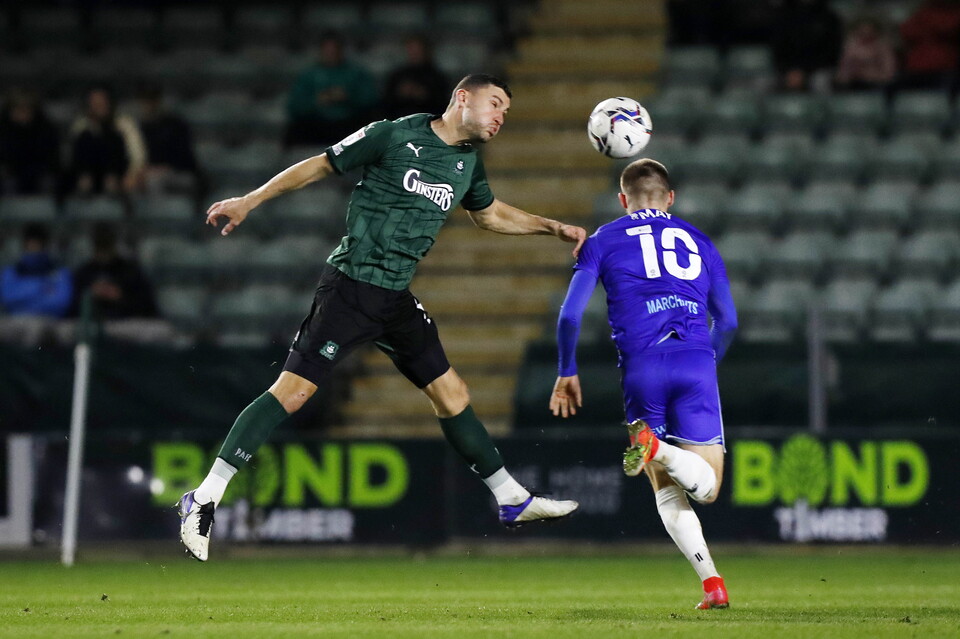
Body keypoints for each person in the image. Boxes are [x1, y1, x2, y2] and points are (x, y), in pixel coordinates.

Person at [179, 74, 586, 561]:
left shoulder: (466, 164)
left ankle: (510, 498)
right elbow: (319, 166)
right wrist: (250, 200)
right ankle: (203, 497)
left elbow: (489, 214)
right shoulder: (392, 135)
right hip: (351, 288)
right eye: (495, 103)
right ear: (462, 98)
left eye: (506, 111)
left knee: (452, 393)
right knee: (292, 393)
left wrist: (552, 227)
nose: (500, 116)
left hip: (394, 297)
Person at [549, 159, 737, 610]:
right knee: (707, 489)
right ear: (670, 198)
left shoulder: (601, 241)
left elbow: (570, 315)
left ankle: (712, 584)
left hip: (640, 369)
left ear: (622, 200)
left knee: (665, 487)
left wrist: (566, 369)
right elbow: (728, 321)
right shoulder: (700, 240)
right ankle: (659, 450)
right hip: (694, 362)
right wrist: (706, 362)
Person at [284, 31, 379, 147]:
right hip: (317, 123)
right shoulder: (308, 75)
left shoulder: (356, 73)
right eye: (327, 49)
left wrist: (347, 97)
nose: (331, 52)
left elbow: (371, 100)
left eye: (335, 49)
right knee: (294, 131)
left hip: (348, 123)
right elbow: (294, 106)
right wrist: (317, 101)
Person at [67, 85, 146, 195]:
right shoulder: (81, 127)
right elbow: (72, 158)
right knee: (86, 138)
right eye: (95, 102)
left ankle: (111, 185)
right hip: (90, 175)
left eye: (102, 102)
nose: (99, 106)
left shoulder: (124, 124)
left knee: (112, 139)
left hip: (117, 174)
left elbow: (137, 155)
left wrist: (132, 174)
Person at [69, 222, 159, 319]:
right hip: (90, 324)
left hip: (126, 324)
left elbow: (148, 308)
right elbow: (71, 309)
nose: (103, 252)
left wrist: (119, 296)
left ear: (114, 243)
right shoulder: (84, 273)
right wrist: (90, 296)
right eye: (100, 245)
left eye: (106, 244)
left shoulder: (131, 271)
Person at [135, 85, 201, 195]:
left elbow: (186, 157)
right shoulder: (139, 128)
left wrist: (165, 168)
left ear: (158, 101)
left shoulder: (175, 125)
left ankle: (157, 212)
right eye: (145, 101)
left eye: (152, 100)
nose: (148, 105)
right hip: (150, 173)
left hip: (181, 173)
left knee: (154, 180)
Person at [0, 223, 72, 317]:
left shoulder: (61, 272)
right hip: (17, 322)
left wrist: (24, 298)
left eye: (38, 245)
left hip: (51, 322)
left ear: (46, 246)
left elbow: (61, 303)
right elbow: (8, 298)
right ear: (24, 245)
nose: (34, 249)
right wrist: (41, 287)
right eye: (31, 244)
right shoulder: (10, 272)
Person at [770, 0, 843, 92]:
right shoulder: (784, 16)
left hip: (820, 69)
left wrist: (805, 72)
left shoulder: (829, 18)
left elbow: (832, 51)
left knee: (820, 81)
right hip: (788, 70)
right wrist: (789, 70)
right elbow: (779, 49)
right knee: (764, 83)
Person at [0, 88, 61, 195]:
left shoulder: (45, 129)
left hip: (39, 173)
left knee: (49, 182)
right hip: (12, 174)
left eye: (25, 110)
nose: (22, 114)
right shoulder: (4, 129)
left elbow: (50, 158)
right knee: (7, 183)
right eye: (18, 109)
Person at [382, 35, 449, 120]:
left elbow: (442, 104)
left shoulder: (437, 77)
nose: (415, 54)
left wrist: (424, 95)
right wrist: (401, 94)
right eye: (412, 50)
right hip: (399, 122)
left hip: (428, 124)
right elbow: (386, 102)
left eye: (418, 50)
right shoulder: (397, 76)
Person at [897, 0, 960, 90]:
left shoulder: (952, 14)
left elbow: (947, 27)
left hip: (944, 68)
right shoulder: (923, 12)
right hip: (918, 67)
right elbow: (906, 31)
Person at [834, 17, 897, 91]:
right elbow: (844, 69)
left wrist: (871, 75)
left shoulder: (883, 47)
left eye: (869, 29)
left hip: (877, 84)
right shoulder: (851, 46)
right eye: (862, 29)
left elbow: (889, 71)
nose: (866, 32)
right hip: (854, 83)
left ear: (875, 30)